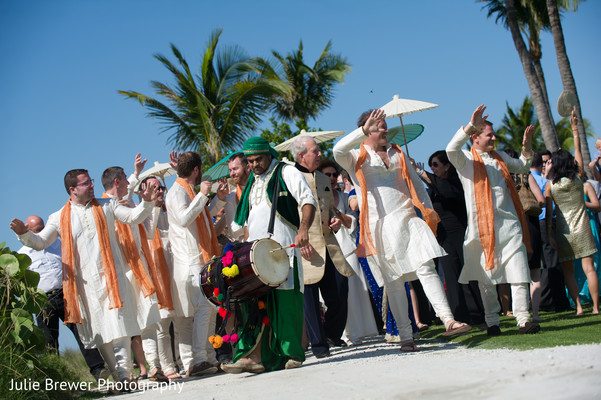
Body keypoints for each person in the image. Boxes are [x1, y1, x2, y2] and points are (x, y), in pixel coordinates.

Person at [334, 108, 471, 352]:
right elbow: (337, 150)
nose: (386, 130)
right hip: (380, 226)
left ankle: (447, 320)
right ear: (367, 130)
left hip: (409, 219)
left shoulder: (398, 154)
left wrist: (431, 217)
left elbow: (418, 187)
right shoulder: (355, 156)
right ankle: (406, 336)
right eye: (379, 127)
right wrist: (362, 131)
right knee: (394, 282)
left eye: (385, 126)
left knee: (426, 268)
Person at [11, 169, 158, 386]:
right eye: (86, 183)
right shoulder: (59, 217)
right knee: (99, 331)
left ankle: (126, 374)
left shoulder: (109, 205)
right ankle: (117, 376)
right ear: (72, 189)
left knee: (120, 327)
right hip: (85, 285)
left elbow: (133, 217)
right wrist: (24, 234)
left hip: (113, 278)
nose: (91, 185)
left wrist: (146, 203)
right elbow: (40, 242)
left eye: (90, 181)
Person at [222, 136, 316, 373]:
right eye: (250, 161)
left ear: (269, 154)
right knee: (255, 304)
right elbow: (240, 224)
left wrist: (303, 229)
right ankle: (253, 358)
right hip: (255, 255)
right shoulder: (251, 184)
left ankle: (291, 354)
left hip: (283, 248)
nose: (254, 165)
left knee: (285, 302)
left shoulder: (286, 172)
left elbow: (308, 201)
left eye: (258, 160)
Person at [446, 104, 540, 335]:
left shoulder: (501, 158)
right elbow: (450, 150)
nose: (494, 138)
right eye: (490, 135)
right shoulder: (466, 160)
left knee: (519, 272)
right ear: (475, 138)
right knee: (486, 278)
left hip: (509, 225)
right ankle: (492, 322)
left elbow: (524, 166)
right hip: (481, 230)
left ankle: (523, 320)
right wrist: (469, 125)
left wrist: (526, 147)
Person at [17, 215, 108, 381]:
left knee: (82, 333)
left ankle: (98, 370)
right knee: (48, 341)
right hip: (42, 301)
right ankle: (56, 380)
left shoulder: (58, 244)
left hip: (66, 294)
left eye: (43, 228)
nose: (42, 233)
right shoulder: (22, 255)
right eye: (37, 230)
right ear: (28, 231)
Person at [164, 151, 228, 377]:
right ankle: (198, 359)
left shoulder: (187, 190)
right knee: (202, 309)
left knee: (208, 309)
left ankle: (206, 358)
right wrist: (202, 195)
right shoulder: (177, 192)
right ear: (196, 170)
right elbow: (183, 219)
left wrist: (218, 198)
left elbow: (200, 217)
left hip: (198, 260)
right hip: (189, 260)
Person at [290, 137, 353, 357]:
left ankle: (330, 334)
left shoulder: (323, 178)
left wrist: (335, 221)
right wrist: (300, 238)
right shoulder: (290, 177)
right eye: (315, 151)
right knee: (309, 298)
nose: (319, 154)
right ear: (301, 156)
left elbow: (327, 209)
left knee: (340, 288)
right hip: (304, 245)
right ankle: (319, 346)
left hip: (329, 243)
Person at [101, 158, 162, 381]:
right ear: (118, 181)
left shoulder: (129, 204)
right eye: (126, 179)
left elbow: (147, 231)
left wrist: (151, 205)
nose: (129, 183)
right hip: (119, 272)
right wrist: (137, 174)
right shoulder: (102, 207)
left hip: (139, 267)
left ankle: (155, 367)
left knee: (149, 318)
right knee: (124, 325)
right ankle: (123, 373)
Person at [411, 151, 485, 326]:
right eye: (431, 166)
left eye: (436, 165)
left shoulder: (455, 182)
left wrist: (420, 172)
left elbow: (445, 189)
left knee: (469, 273)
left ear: (447, 165)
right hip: (444, 236)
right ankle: (459, 314)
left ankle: (479, 313)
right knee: (451, 276)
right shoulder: (434, 188)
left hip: (460, 232)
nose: (432, 169)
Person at [545, 110, 600, 315]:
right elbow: (577, 153)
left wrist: (550, 234)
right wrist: (575, 129)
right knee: (589, 269)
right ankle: (595, 307)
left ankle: (578, 307)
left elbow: (549, 213)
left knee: (568, 272)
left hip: (563, 231)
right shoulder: (578, 179)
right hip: (583, 227)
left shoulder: (551, 186)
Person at [318, 159, 379, 345]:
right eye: (327, 175)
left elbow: (352, 221)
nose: (331, 178)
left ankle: (360, 330)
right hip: (328, 250)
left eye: (334, 174)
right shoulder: (315, 197)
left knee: (355, 289)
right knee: (334, 295)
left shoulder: (344, 197)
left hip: (348, 248)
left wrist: (335, 212)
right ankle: (340, 333)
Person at [535, 151, 571, 312]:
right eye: (545, 162)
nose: (546, 164)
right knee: (552, 263)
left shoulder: (533, 178)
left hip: (538, 223)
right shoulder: (543, 181)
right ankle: (556, 302)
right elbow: (549, 205)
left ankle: (547, 300)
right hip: (545, 221)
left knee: (544, 264)